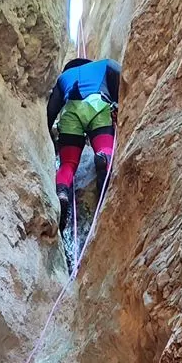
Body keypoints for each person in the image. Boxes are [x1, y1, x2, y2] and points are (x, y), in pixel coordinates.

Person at [46, 54, 121, 252]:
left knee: (68, 164)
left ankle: (62, 193)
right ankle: (103, 158)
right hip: (98, 104)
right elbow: (122, 78)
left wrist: (49, 137)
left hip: (71, 111)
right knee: (105, 148)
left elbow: (51, 110)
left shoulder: (64, 78)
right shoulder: (104, 64)